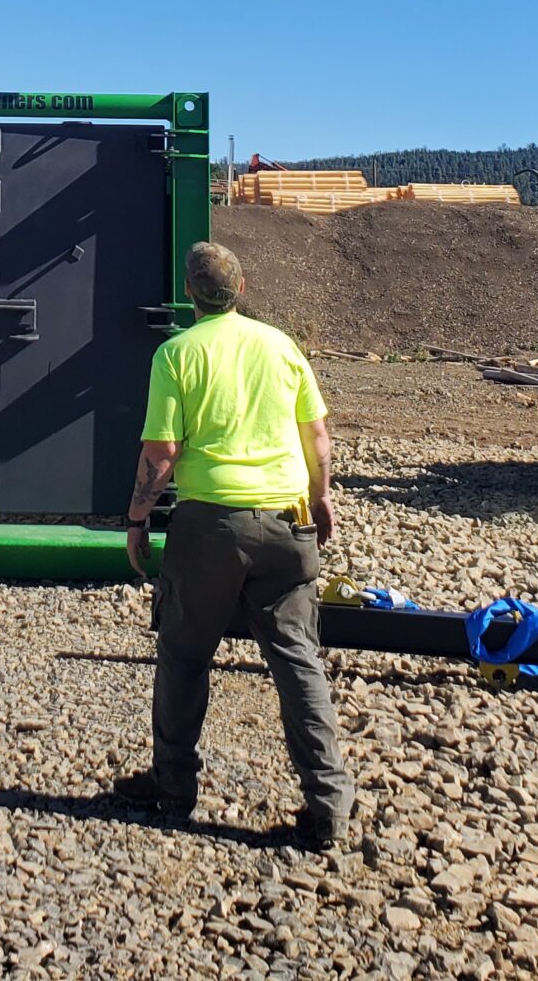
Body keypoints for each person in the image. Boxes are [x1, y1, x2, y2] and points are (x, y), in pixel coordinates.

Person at [116, 241, 355, 849]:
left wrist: (138, 518)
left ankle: (174, 789)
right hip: (287, 521)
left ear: (191, 294)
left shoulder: (176, 354)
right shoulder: (281, 347)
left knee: (184, 655)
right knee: (298, 662)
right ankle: (328, 805)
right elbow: (319, 438)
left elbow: (162, 454)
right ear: (242, 289)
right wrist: (320, 498)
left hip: (209, 528)